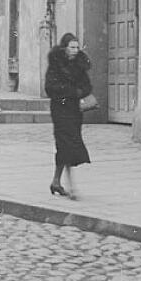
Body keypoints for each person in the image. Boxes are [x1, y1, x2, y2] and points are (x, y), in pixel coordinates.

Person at [44, 32, 93, 198]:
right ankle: (72, 186)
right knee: (66, 145)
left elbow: (87, 87)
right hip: (60, 108)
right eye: (72, 47)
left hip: (74, 110)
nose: (75, 50)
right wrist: (72, 91)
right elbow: (50, 88)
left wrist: (80, 92)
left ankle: (56, 181)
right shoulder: (56, 65)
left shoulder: (80, 65)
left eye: (77, 47)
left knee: (66, 145)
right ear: (64, 48)